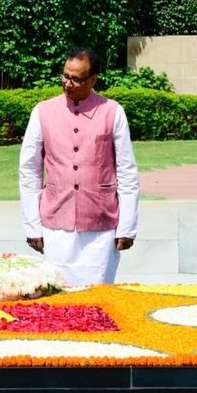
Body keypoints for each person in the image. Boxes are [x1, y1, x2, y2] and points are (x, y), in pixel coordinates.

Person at [18, 47, 139, 285]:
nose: (68, 83)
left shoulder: (113, 112)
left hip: (101, 227)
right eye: (65, 76)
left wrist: (127, 226)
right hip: (55, 224)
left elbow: (127, 170)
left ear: (93, 80)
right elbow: (29, 171)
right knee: (59, 298)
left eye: (76, 79)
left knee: (99, 298)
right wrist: (32, 225)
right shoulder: (42, 112)